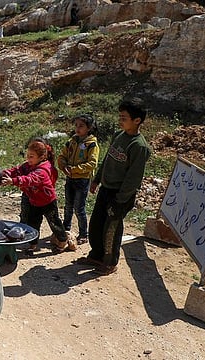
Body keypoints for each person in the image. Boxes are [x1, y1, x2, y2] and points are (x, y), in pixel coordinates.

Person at [76, 98, 151, 275]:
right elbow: (107, 160)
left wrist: (120, 200)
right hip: (106, 189)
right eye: (120, 116)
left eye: (124, 117)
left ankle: (109, 262)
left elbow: (133, 178)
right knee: (96, 224)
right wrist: (97, 179)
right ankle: (96, 255)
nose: (120, 120)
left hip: (120, 195)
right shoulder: (119, 135)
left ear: (137, 120)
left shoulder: (139, 146)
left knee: (111, 229)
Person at [1, 139, 76, 254]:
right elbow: (18, 170)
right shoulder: (29, 165)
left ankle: (62, 241)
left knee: (54, 223)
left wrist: (13, 181)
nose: (28, 159)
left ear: (41, 157)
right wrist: (6, 173)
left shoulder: (42, 170)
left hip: (48, 202)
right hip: (34, 201)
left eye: (31, 156)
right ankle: (33, 244)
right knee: (33, 224)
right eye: (27, 156)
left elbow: (29, 179)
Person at [57, 114, 99, 245]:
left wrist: (74, 169)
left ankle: (83, 234)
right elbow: (62, 156)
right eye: (76, 125)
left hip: (82, 180)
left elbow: (92, 163)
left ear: (89, 128)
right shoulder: (72, 141)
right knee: (68, 206)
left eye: (81, 126)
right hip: (70, 178)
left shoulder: (91, 144)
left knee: (79, 208)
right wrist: (63, 166)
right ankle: (66, 230)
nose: (77, 128)